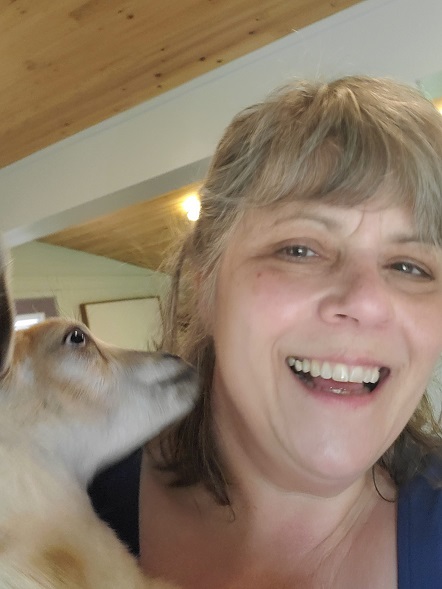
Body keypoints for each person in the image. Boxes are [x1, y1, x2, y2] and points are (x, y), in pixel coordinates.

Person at [89, 75, 442, 588]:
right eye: (300, 249)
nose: (366, 301)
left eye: (411, 266)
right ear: (203, 281)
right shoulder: (53, 498)